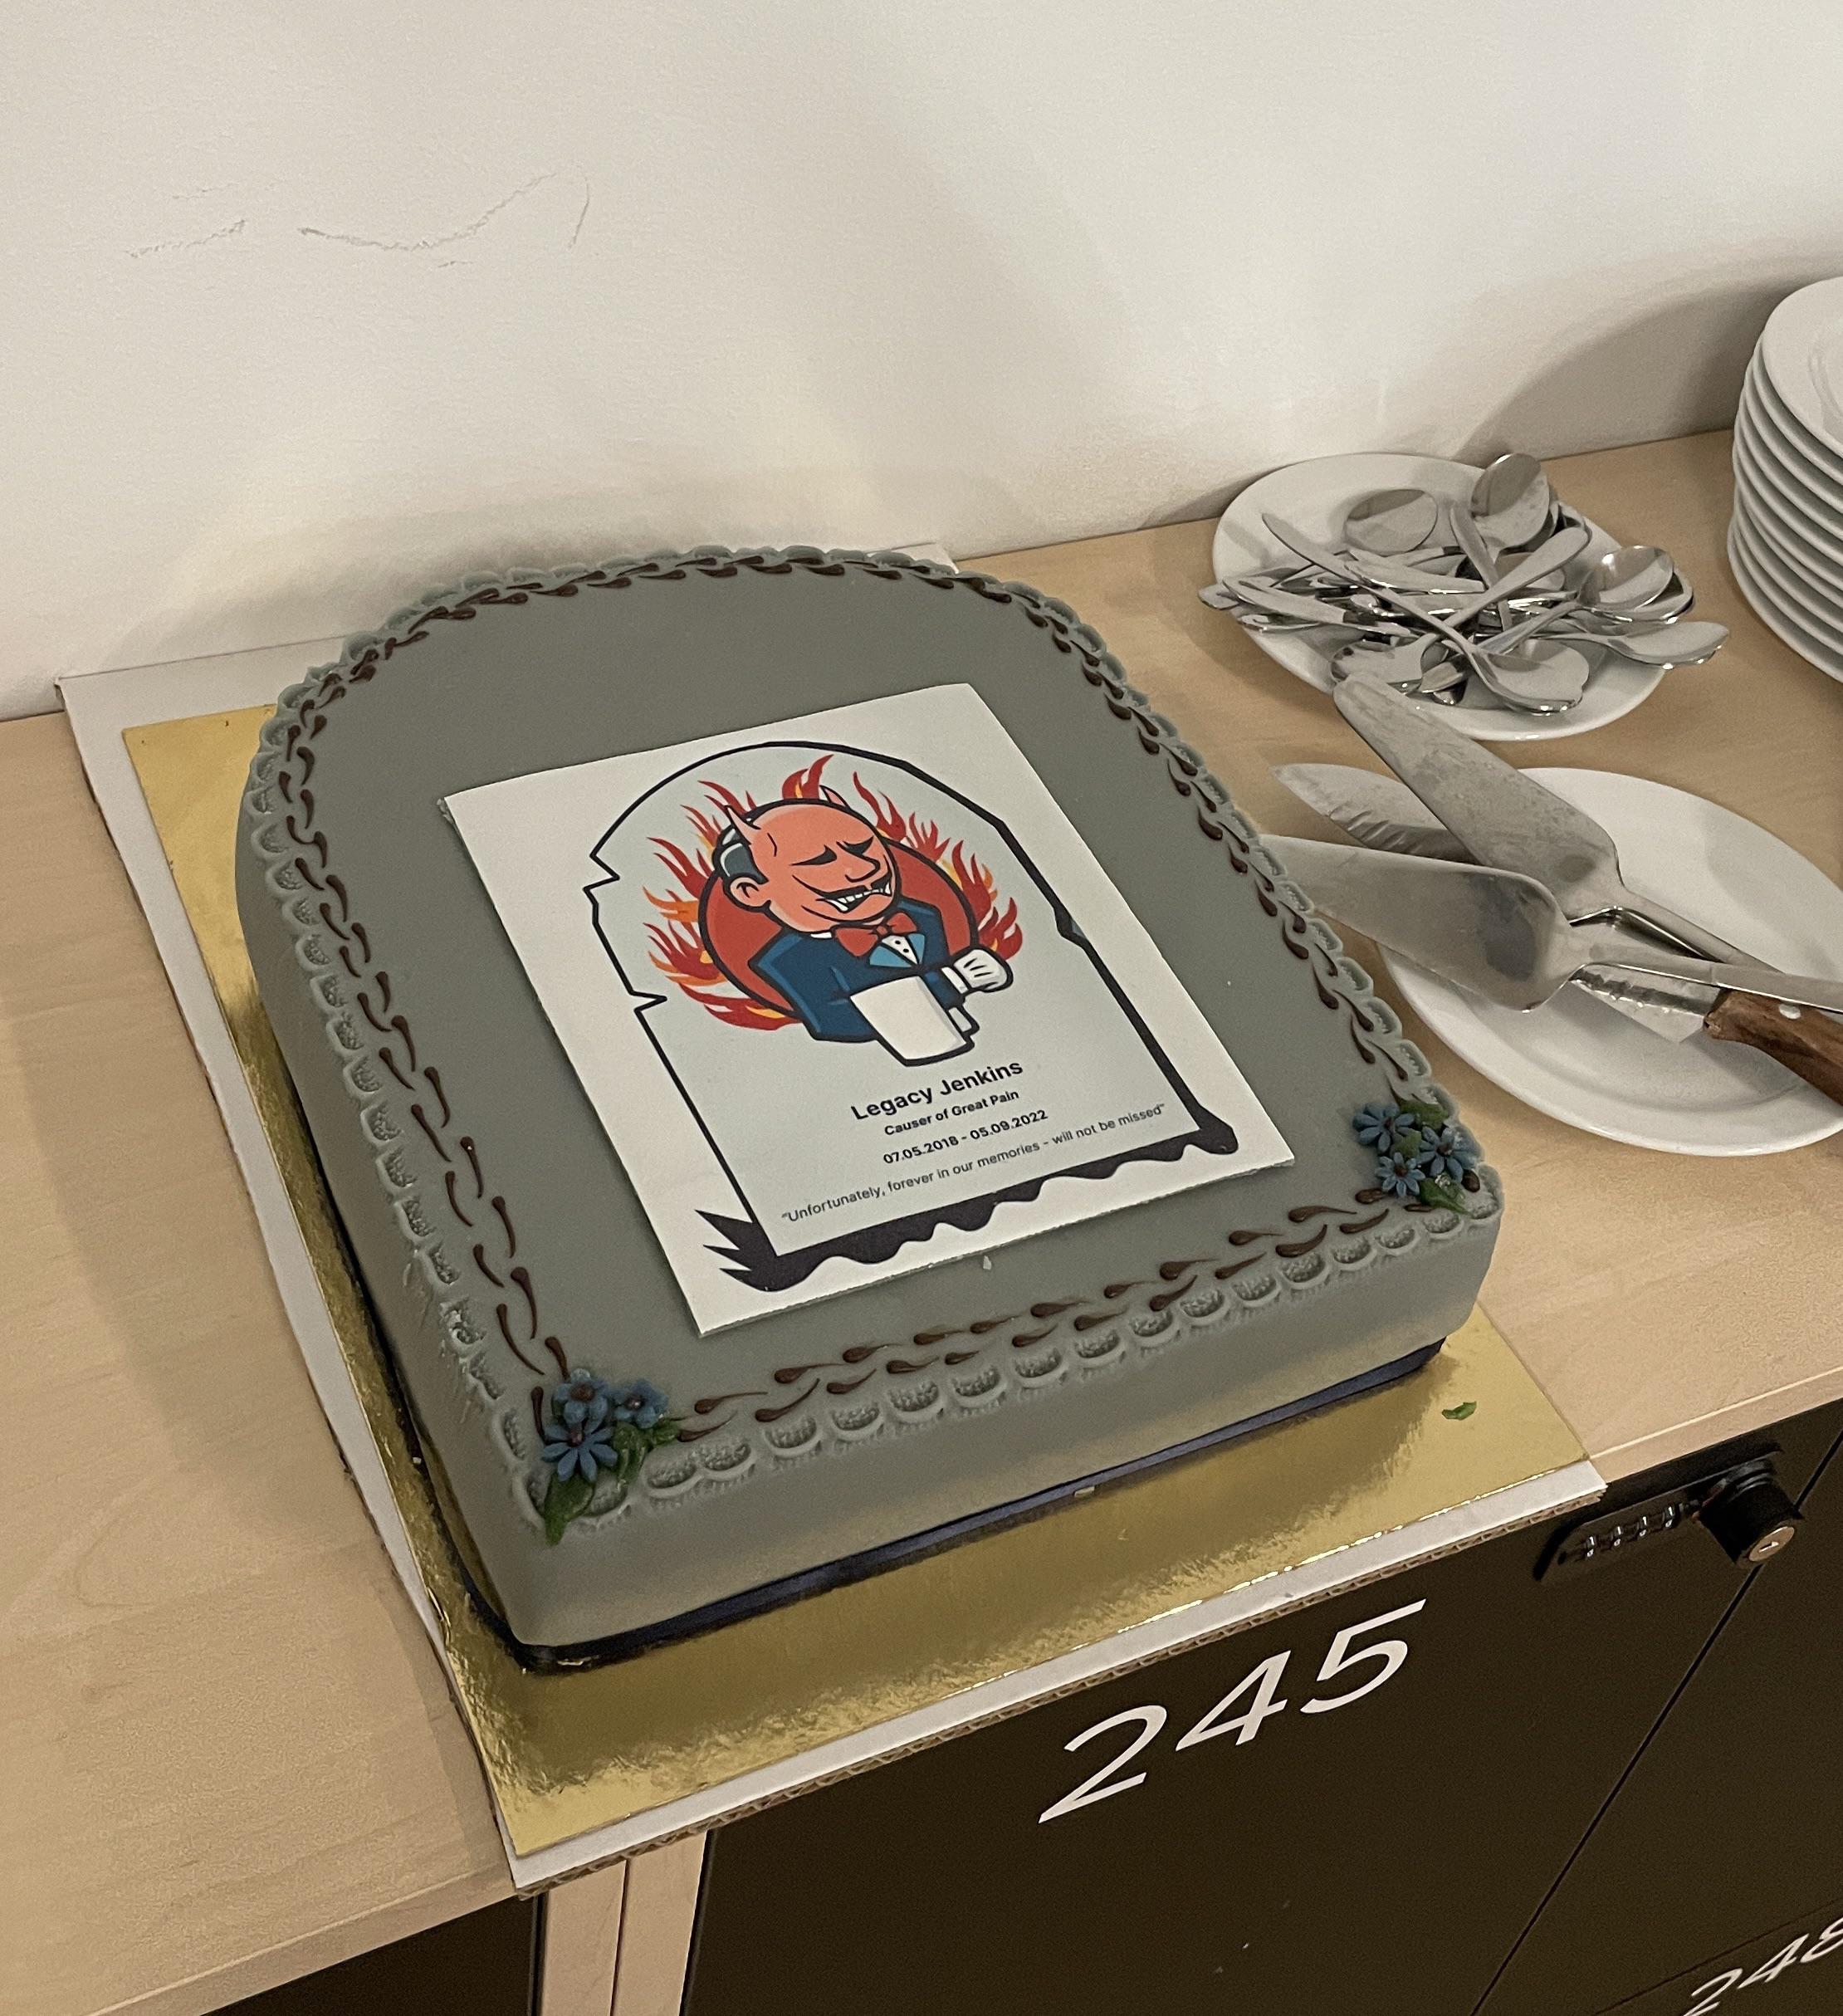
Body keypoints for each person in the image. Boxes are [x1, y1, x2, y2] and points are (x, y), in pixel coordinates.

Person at [713, 790, 1009, 1044]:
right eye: (819, 861)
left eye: (863, 847)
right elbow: (834, 1020)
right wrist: (952, 981)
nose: (864, 868)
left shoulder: (924, 916)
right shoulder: (787, 960)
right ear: (751, 892)